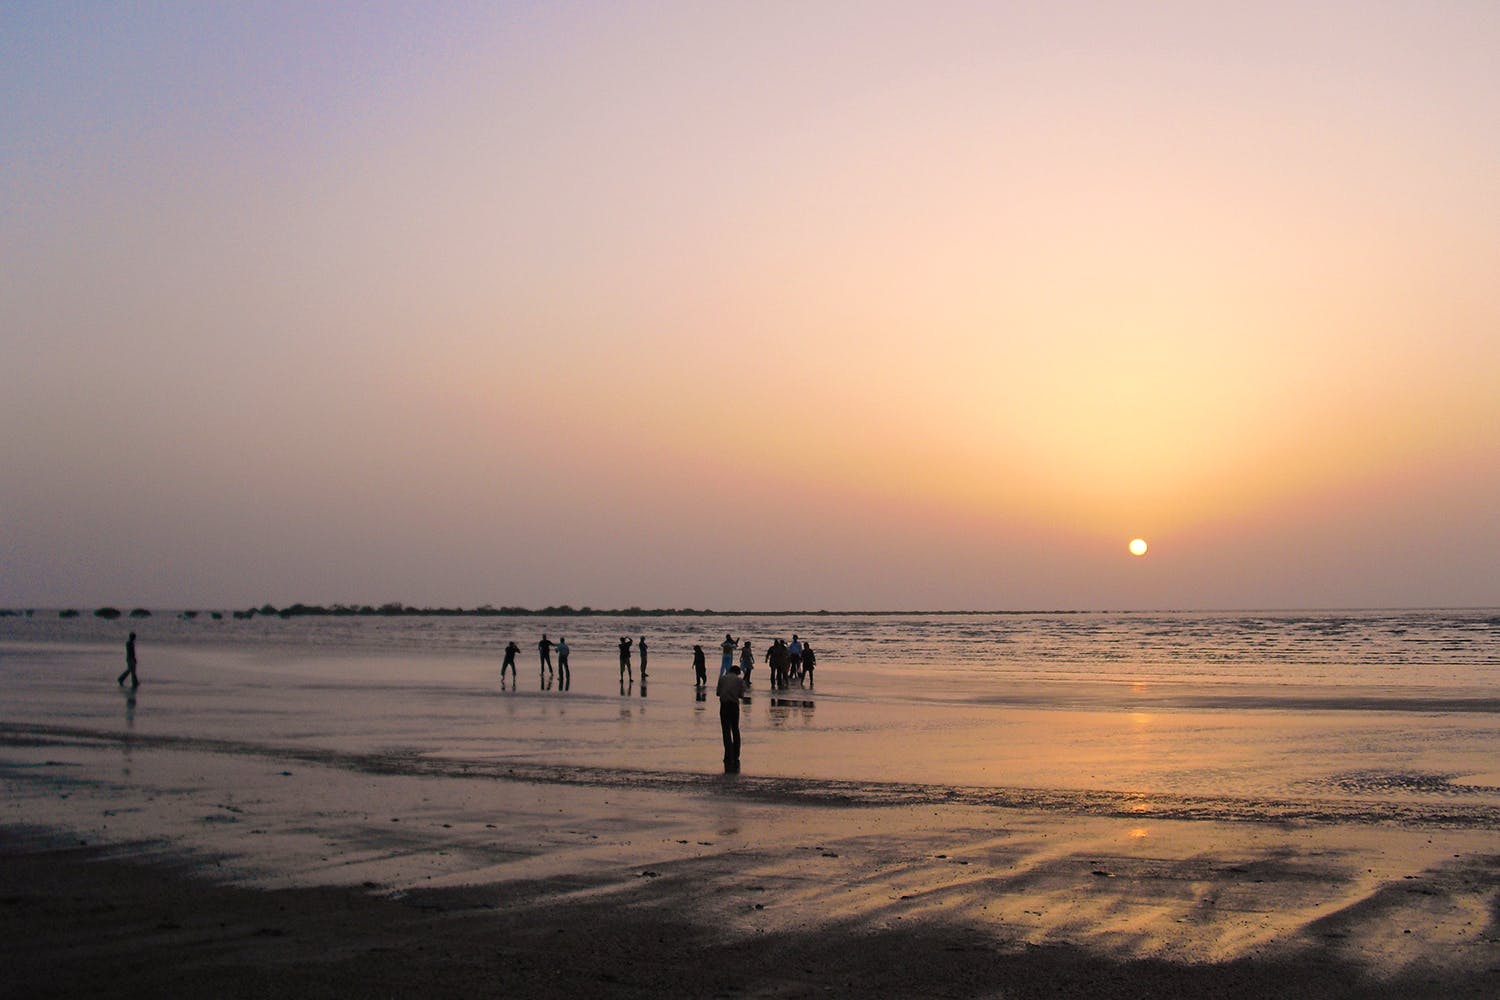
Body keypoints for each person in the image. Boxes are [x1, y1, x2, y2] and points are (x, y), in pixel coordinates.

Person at [716, 661, 746, 769]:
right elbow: (741, 695)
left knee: (726, 730)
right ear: (738, 672)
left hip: (724, 705)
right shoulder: (739, 680)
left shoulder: (722, 678)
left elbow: (718, 693)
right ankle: (736, 753)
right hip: (734, 706)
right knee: (735, 730)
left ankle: (728, 753)